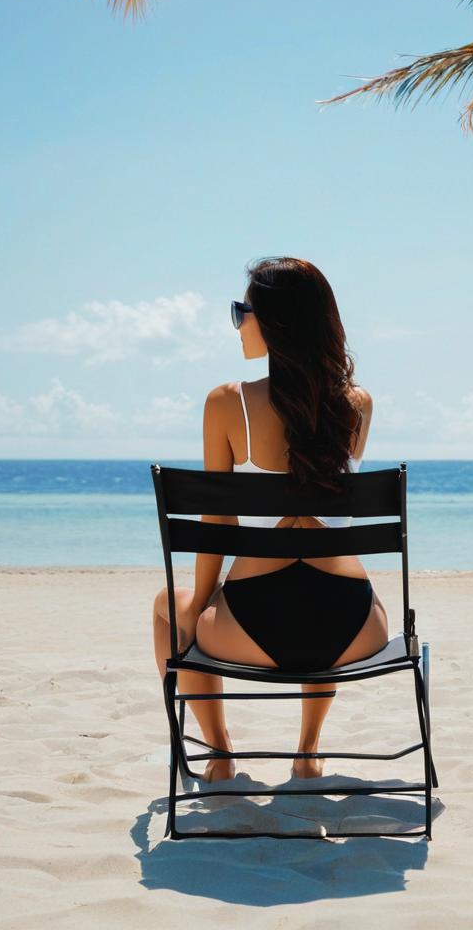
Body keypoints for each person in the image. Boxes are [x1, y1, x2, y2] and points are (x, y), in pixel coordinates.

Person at [152, 256, 389, 784]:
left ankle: (220, 753)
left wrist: (197, 607)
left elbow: (215, 524)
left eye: (243, 311)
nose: (238, 323)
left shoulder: (226, 404)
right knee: (320, 579)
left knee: (169, 607)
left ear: (274, 322)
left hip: (251, 630)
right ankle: (306, 752)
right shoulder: (358, 406)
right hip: (352, 632)